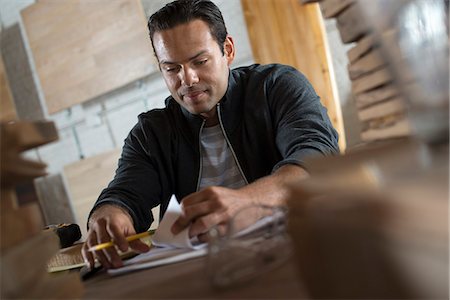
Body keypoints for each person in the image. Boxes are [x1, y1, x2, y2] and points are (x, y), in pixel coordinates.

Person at [82, 0, 339, 269]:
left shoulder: (277, 87)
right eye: (172, 68)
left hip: (299, 251)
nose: (187, 79)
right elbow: (125, 193)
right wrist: (109, 214)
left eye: (200, 61)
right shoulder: (151, 133)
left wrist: (247, 202)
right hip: (206, 270)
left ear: (227, 50)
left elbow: (317, 158)